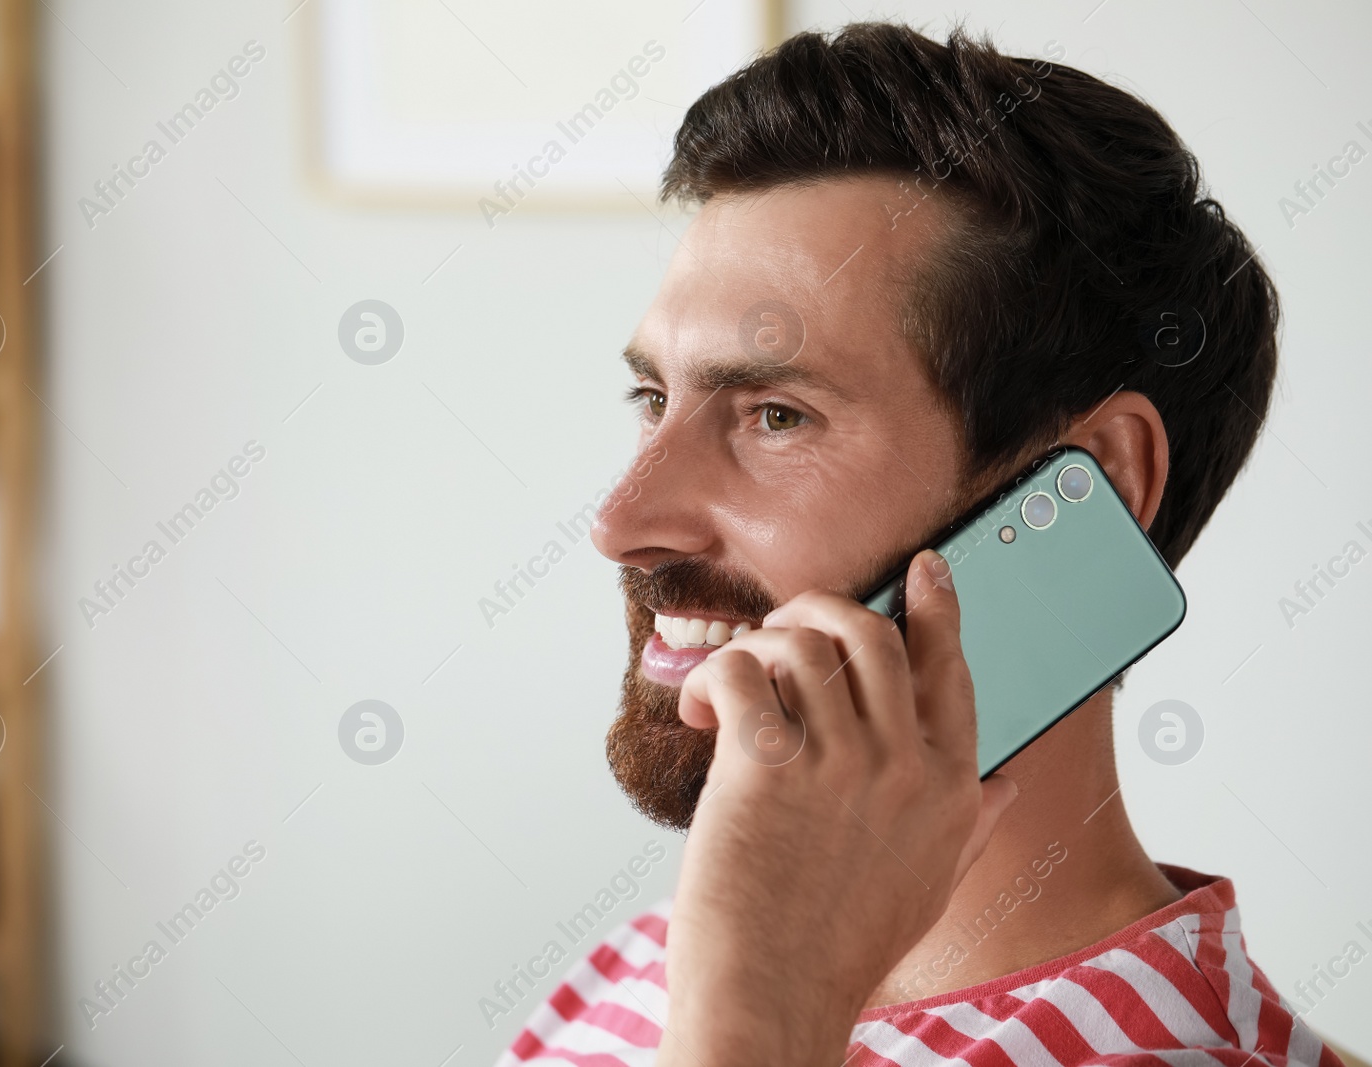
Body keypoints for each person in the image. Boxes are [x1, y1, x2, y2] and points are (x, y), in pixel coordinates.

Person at [496, 21, 1346, 1067]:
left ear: (1100, 486)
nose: (621, 524)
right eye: (651, 395)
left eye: (774, 415)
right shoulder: (646, 968)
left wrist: (756, 1020)